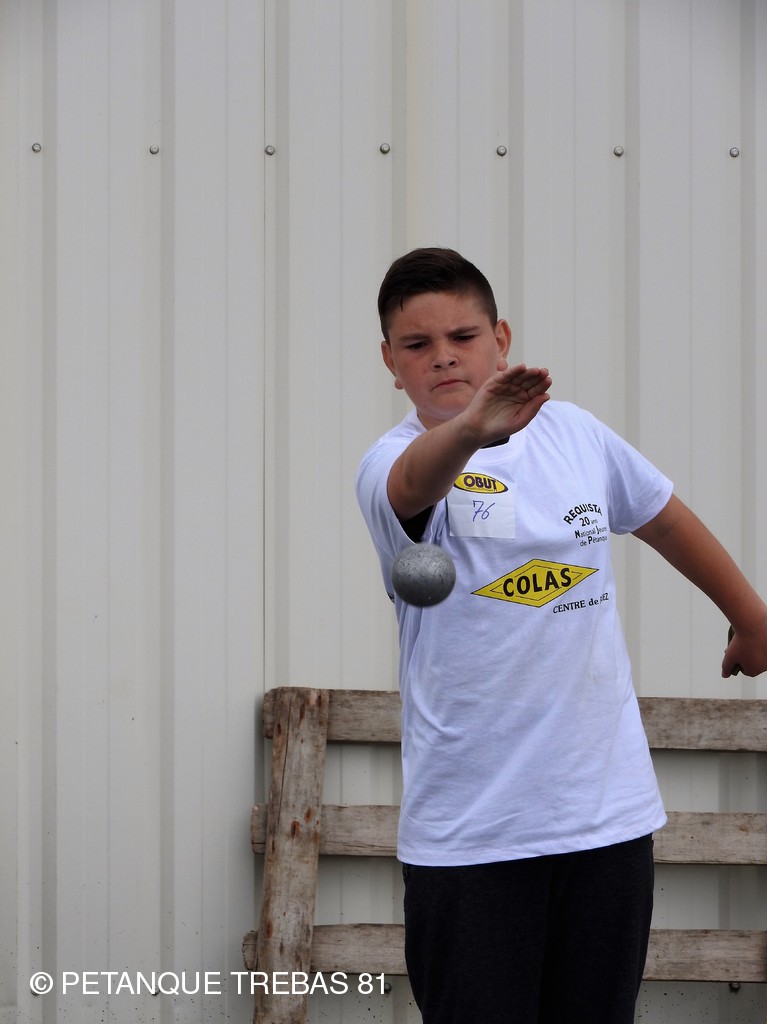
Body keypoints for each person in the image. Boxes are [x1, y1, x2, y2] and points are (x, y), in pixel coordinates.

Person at [355, 247, 767, 1024]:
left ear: (501, 339)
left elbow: (661, 517)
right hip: (472, 838)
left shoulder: (575, 435)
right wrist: (470, 429)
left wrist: (750, 618)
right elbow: (414, 483)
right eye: (416, 344)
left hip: (603, 820)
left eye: (462, 336)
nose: (443, 356)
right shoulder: (389, 465)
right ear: (390, 363)